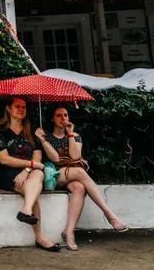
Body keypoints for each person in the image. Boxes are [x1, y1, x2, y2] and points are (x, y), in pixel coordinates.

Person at [36, 107, 127, 250]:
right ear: (52, 119)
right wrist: (43, 141)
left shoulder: (75, 136)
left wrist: (70, 134)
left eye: (65, 115)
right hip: (54, 175)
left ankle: (69, 232)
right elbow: (55, 158)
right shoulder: (45, 136)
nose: (63, 119)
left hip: (71, 174)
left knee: (80, 188)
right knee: (79, 171)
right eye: (58, 116)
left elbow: (75, 156)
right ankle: (108, 213)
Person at [0, 97, 60, 252]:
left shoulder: (31, 128)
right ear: (8, 108)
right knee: (33, 192)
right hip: (6, 173)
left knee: (37, 176)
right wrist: (32, 165)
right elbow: (3, 159)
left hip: (28, 172)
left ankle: (26, 210)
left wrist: (27, 170)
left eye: (24, 107)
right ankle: (40, 237)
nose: (21, 109)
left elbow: (37, 156)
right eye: (17, 106)